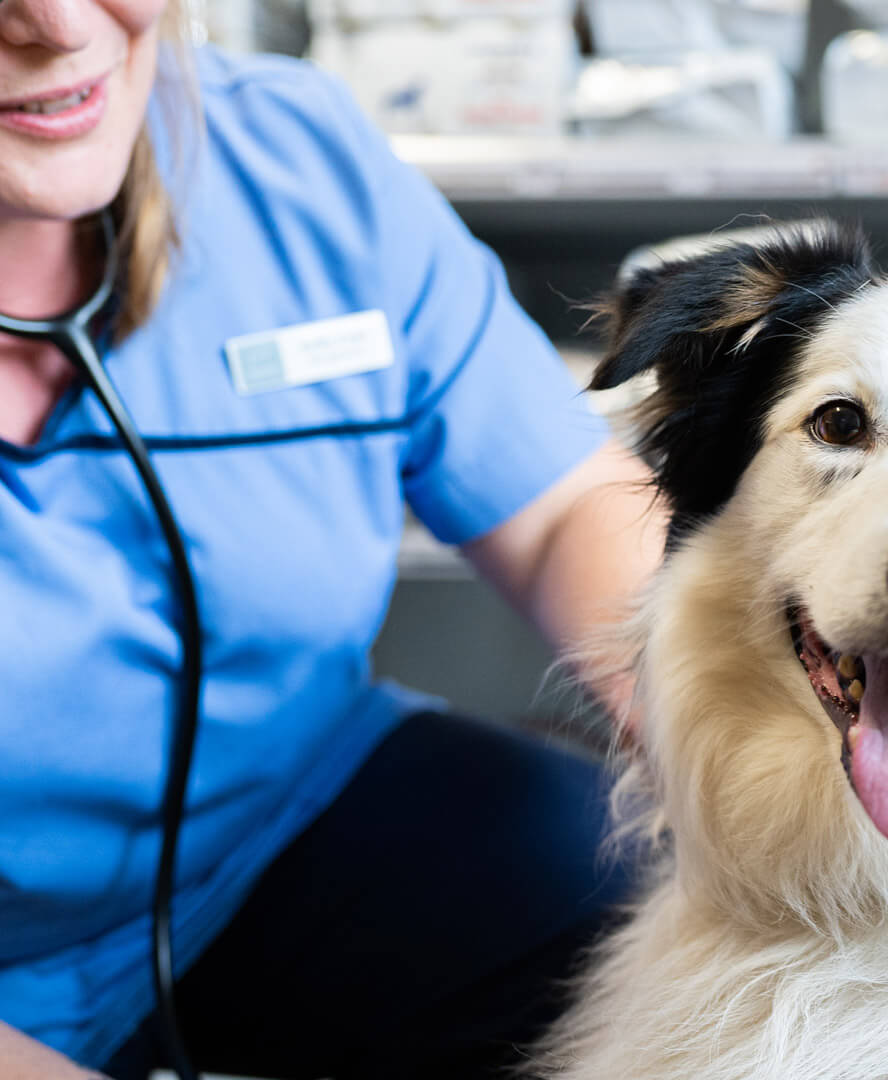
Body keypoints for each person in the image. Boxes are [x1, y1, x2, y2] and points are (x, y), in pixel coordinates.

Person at [0, 1, 667, 1076]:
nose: (61, 22)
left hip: (276, 820)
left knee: (640, 901)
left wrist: (714, 733)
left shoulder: (288, 159)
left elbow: (556, 508)